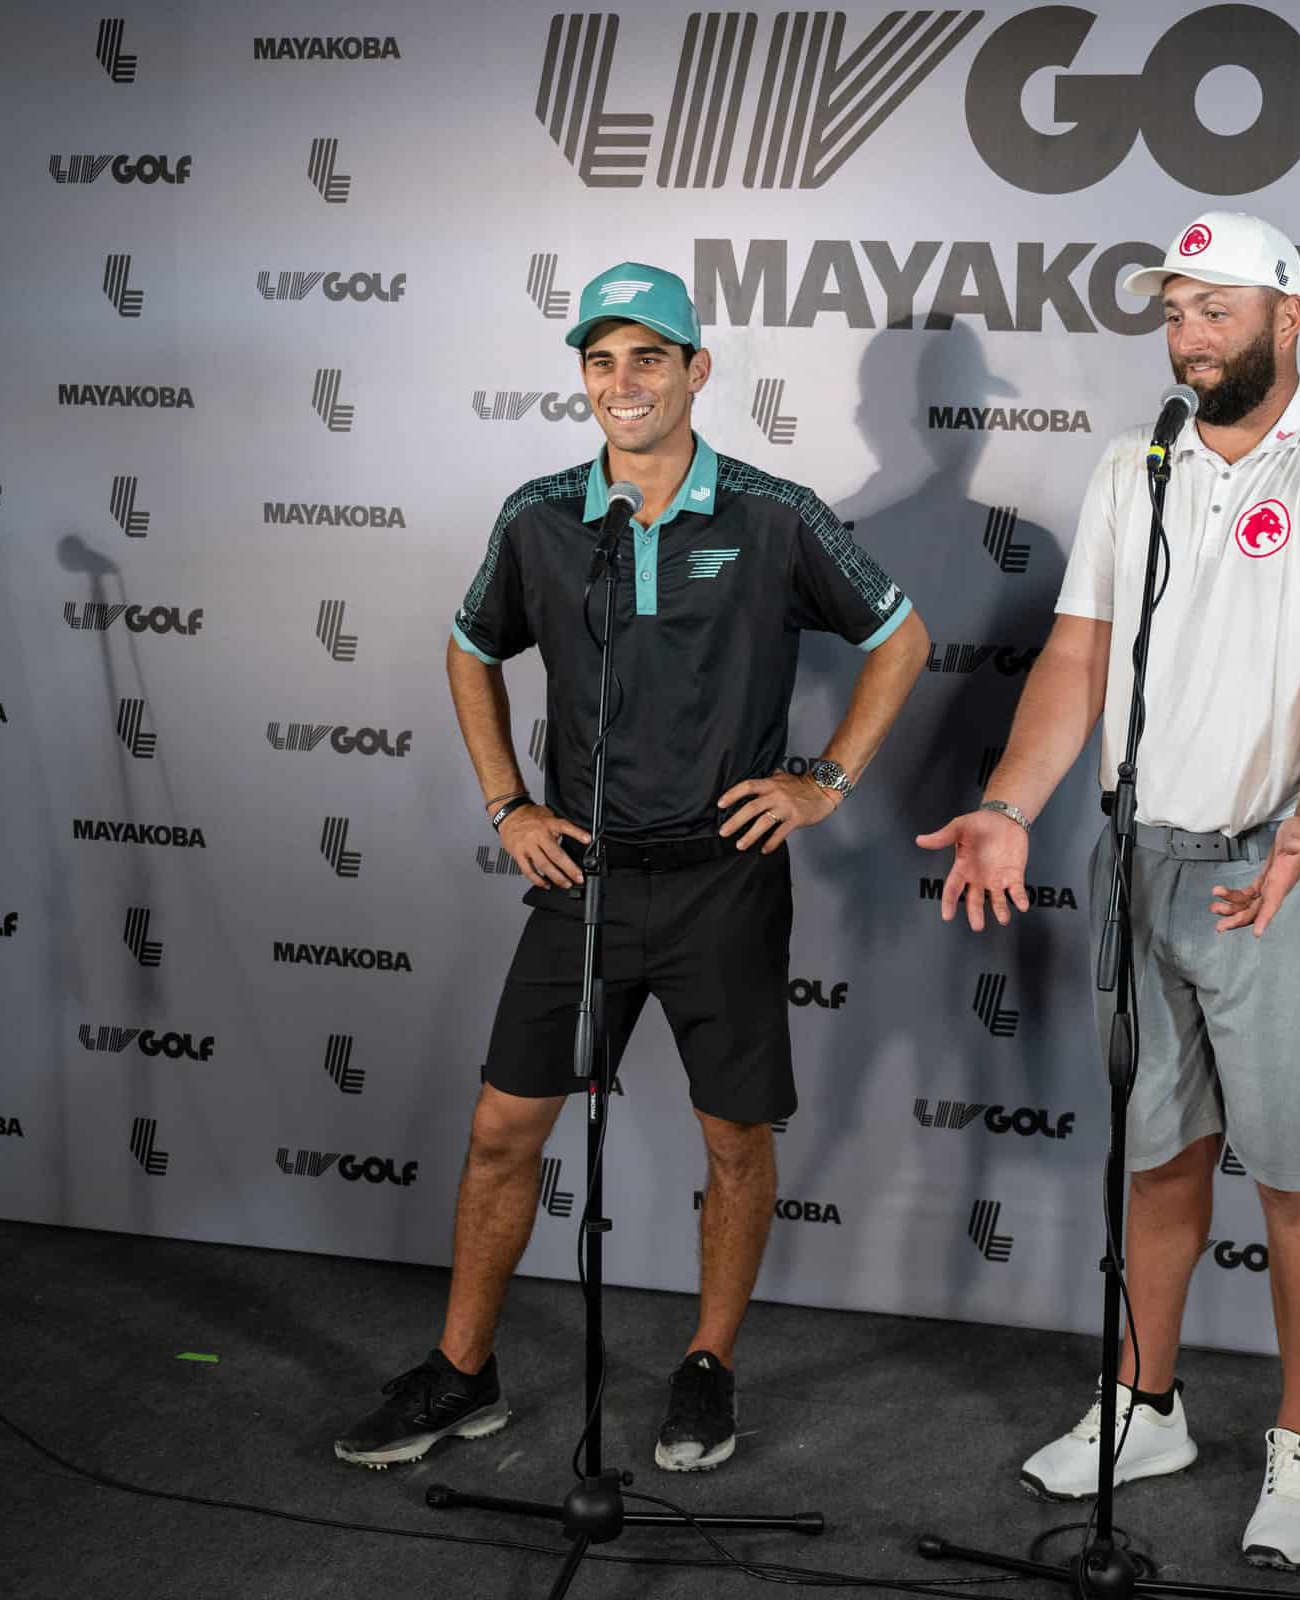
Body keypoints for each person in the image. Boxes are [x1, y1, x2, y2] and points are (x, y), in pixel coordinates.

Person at [336, 262, 926, 1473]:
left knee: (734, 1143)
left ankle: (707, 1366)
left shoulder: (772, 510)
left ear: (698, 371)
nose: (623, 383)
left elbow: (899, 636)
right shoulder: (543, 513)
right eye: (601, 361)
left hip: (724, 876)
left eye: (648, 357)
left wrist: (829, 780)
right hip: (582, 879)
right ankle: (464, 1374)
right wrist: (506, 801)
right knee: (505, 1130)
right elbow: (467, 649)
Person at [914, 211, 1300, 1570]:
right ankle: (1146, 1405)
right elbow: (1078, 659)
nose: (1190, 336)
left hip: (1285, 867)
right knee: (1158, 1153)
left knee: (1297, 1175)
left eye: (1217, 311)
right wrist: (1012, 805)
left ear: (1287, 316)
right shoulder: (1131, 466)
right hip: (1142, 858)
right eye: (1175, 312)